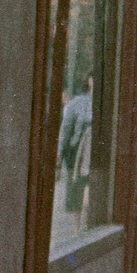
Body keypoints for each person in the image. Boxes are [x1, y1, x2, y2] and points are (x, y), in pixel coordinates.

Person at [57, 74, 94, 216]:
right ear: (90, 80)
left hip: (97, 154)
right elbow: (66, 130)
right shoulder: (77, 103)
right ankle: (77, 227)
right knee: (76, 193)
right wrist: (60, 152)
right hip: (78, 153)